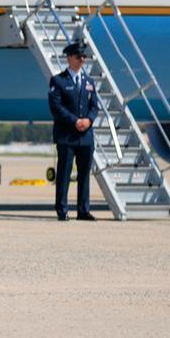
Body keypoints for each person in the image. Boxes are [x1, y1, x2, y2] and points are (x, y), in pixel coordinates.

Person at [48, 41, 99, 221]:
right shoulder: (58, 81)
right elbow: (56, 107)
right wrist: (75, 121)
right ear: (69, 58)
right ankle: (62, 209)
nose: (82, 59)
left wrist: (89, 120)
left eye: (84, 56)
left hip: (85, 136)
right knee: (64, 173)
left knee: (84, 174)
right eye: (79, 56)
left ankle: (83, 210)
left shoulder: (89, 82)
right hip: (67, 136)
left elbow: (95, 106)